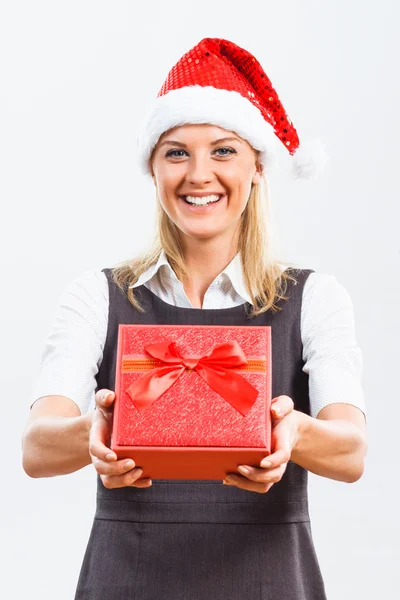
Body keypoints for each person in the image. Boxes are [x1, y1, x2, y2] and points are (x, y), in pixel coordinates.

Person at [22, 38, 367, 600]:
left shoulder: (315, 298)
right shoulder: (97, 296)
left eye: (224, 151)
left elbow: (351, 452)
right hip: (126, 580)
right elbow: (36, 448)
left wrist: (295, 431)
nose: (198, 174)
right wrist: (93, 431)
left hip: (268, 582)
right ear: (152, 168)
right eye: (176, 152)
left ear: (258, 166)